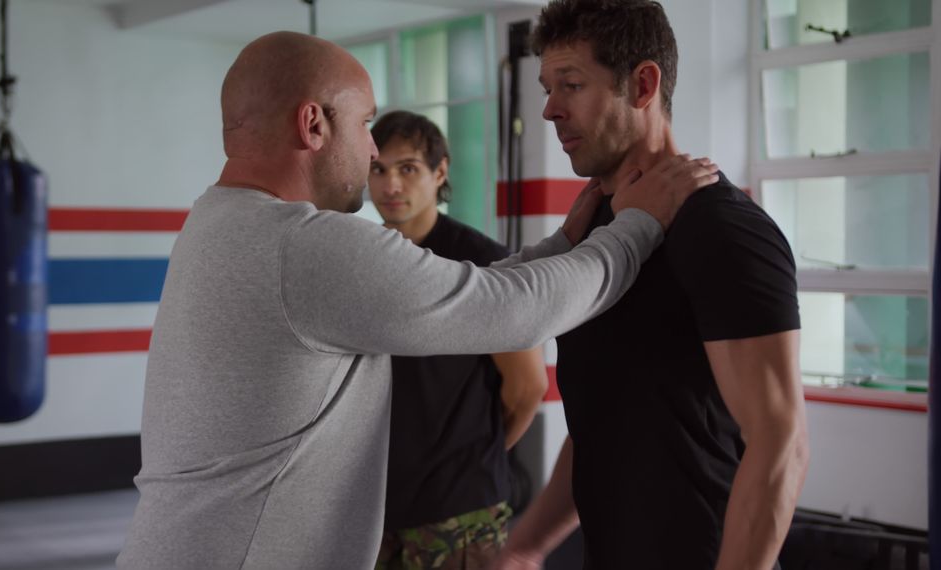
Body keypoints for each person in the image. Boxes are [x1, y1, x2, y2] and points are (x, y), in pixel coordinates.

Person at [116, 30, 717, 569]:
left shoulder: (218, 222)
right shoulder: (306, 245)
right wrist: (637, 227)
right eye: (363, 125)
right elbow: (514, 312)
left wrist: (564, 243)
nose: (374, 155)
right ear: (313, 125)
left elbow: (476, 290)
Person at [492, 1, 810, 569]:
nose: (549, 110)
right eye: (547, 87)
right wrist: (528, 545)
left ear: (643, 84)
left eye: (570, 84)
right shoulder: (595, 230)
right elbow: (604, 419)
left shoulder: (721, 228)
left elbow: (780, 440)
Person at [367, 111, 548, 569]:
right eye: (378, 169)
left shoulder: (483, 263)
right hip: (378, 508)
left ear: (440, 172)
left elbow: (528, 388)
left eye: (407, 168)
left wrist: (470, 455)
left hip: (461, 513)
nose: (390, 185)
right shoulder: (365, 262)